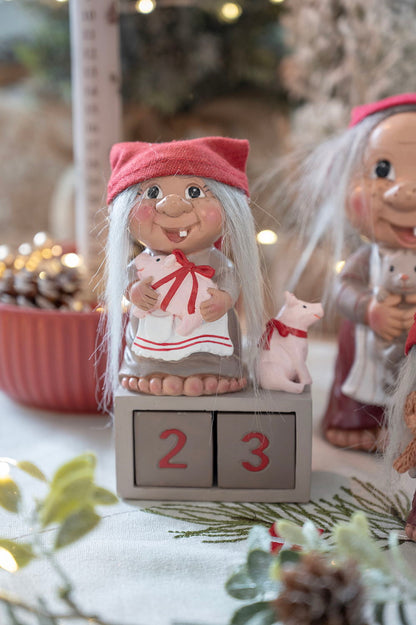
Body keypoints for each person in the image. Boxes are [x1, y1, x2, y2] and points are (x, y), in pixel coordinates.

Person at [276, 93, 416, 451]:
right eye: (382, 171)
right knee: (357, 374)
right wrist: (369, 309)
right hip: (369, 341)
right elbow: (344, 289)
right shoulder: (365, 260)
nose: (406, 192)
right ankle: (354, 421)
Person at [101, 137, 263, 405]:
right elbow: (127, 279)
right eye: (152, 193)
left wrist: (226, 298)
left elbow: (230, 278)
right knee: (150, 345)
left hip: (208, 330)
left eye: (195, 192)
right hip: (154, 332)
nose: (172, 206)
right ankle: (147, 369)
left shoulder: (214, 260)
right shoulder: (144, 262)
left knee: (213, 345)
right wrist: (134, 290)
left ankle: (215, 370)